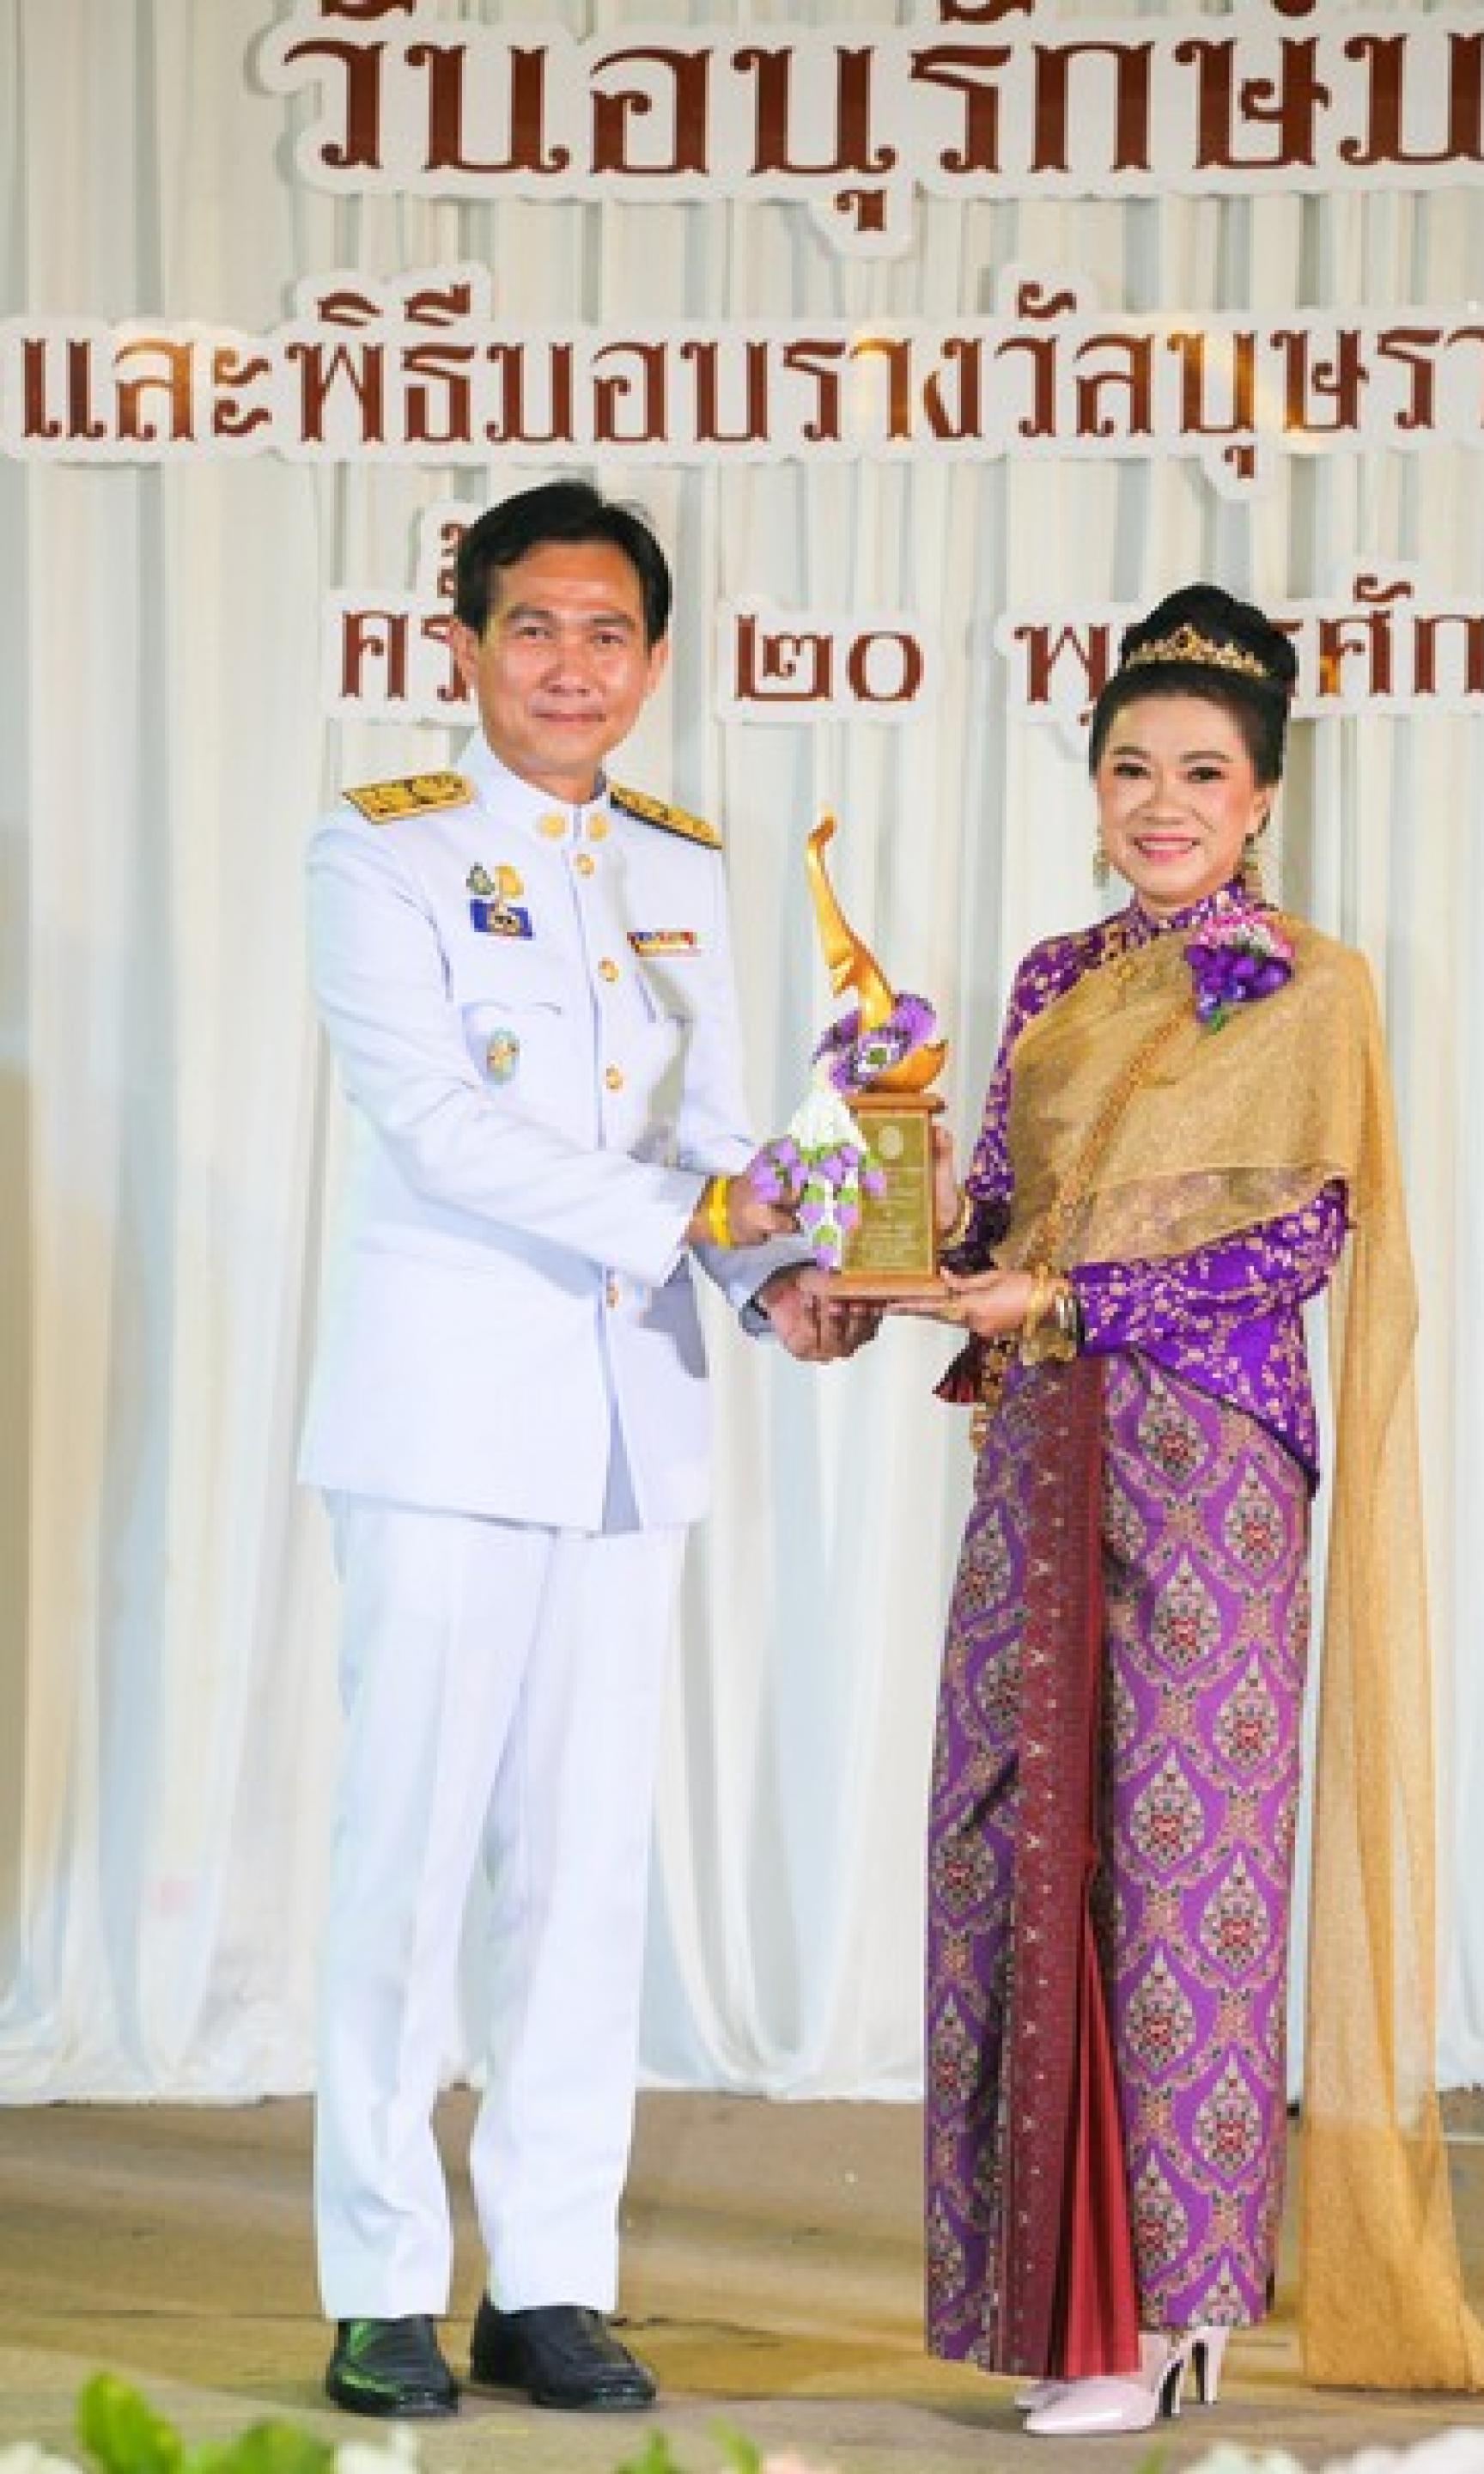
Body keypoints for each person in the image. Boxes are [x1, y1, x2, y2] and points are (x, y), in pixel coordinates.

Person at [894, 584, 1484, 2434]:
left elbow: (1297, 1243)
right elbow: (991, 1218)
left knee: (1181, 1876)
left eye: (1204, 774)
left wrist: (1066, 1299)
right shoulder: (1050, 981)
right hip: (1040, 1452)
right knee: (1013, 1843)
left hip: (1211, 1465)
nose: (1163, 803)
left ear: (1262, 800)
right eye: (1132, 768)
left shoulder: (1315, 988)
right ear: (1093, 788)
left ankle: (1171, 2310)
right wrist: (867, 1236)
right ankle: (1055, 2299)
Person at [300, 478, 876, 2419]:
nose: (571, 666)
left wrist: (787, 1277)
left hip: (633, 1426)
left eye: (607, 633)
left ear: (653, 657)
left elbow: (714, 1132)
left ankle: (548, 2280)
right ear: (462, 644)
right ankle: (383, 2281)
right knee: (405, 1864)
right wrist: (700, 1222)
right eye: (534, 628)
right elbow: (438, 1126)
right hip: (445, 1422)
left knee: (581, 1876)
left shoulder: (680, 861)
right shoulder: (380, 849)